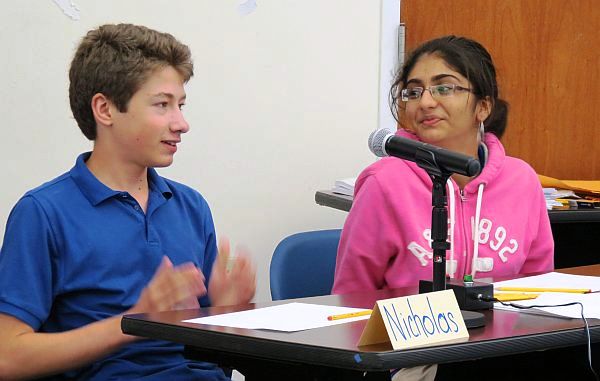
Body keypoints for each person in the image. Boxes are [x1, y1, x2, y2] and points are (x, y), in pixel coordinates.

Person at [0, 23, 256, 380]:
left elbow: (209, 350)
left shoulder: (190, 206)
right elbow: (8, 356)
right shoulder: (43, 213)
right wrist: (135, 320)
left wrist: (229, 315)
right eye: (162, 105)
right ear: (105, 109)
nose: (182, 123)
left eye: (180, 105)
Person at [332, 36, 554, 380]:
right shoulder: (384, 182)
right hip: (411, 359)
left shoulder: (522, 180)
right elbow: (350, 299)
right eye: (413, 91)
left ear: (483, 106)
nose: (425, 102)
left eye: (444, 88)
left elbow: (539, 293)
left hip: (503, 353)